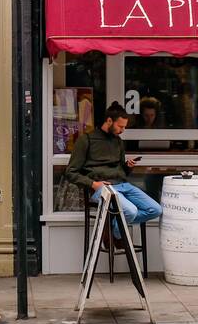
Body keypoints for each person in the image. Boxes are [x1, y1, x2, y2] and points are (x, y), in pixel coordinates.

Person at [65, 101, 162, 243]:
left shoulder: (118, 141)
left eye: (124, 127)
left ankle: (113, 228)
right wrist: (93, 184)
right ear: (109, 121)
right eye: (120, 126)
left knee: (155, 209)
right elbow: (71, 172)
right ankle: (117, 236)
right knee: (131, 211)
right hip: (103, 187)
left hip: (123, 184)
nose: (123, 130)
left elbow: (120, 170)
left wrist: (127, 166)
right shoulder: (86, 140)